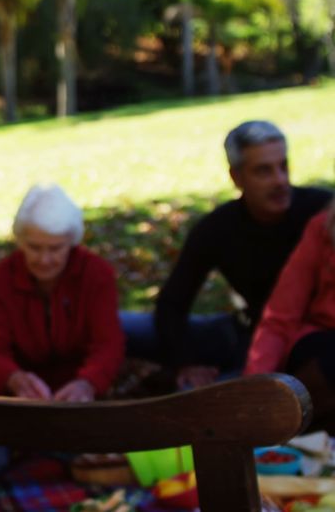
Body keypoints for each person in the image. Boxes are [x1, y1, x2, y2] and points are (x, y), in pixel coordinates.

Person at [140, 121, 331, 389]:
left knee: (219, 399)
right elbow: (172, 303)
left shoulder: (320, 213)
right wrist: (186, 362)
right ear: (236, 177)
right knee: (126, 327)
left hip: (305, 344)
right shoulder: (218, 228)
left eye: (283, 166)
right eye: (264, 171)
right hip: (248, 332)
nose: (280, 180)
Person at [0, 183, 124, 401]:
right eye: (34, 247)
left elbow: (108, 344)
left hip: (81, 395)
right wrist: (13, 378)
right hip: (22, 399)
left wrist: (88, 383)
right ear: (21, 242)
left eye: (55, 248)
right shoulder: (2, 278)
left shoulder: (96, 274)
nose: (44, 260)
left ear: (71, 243)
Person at [245, 203, 335, 432]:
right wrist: (252, 390)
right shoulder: (323, 227)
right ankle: (274, 425)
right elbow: (280, 315)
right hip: (321, 350)